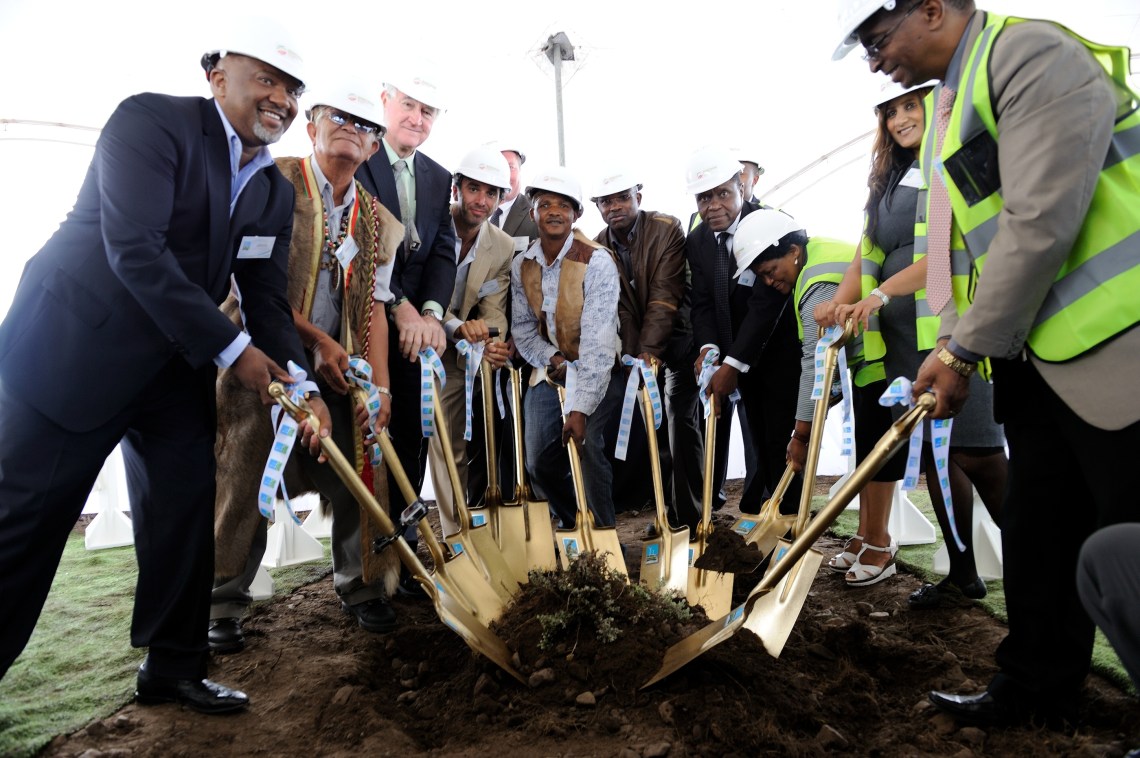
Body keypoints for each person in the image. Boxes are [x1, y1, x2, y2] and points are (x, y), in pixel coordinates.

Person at [0, 23, 329, 714]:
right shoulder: (150, 122)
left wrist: (299, 384)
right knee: (24, 525)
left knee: (183, 508)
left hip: (173, 363)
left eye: (293, 87)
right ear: (216, 76)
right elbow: (136, 250)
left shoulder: (272, 189)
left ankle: (173, 667)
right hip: (73, 349)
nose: (281, 97)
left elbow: (265, 297)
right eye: (264, 77)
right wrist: (236, 353)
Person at [835, 0, 1140, 725]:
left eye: (878, 40)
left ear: (933, 9)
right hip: (1037, 358)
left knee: (1128, 540)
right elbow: (967, 249)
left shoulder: (1032, 56)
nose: (876, 62)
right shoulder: (953, 102)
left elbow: (1042, 220)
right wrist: (954, 343)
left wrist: (963, 347)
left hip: (1122, 348)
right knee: (1040, 535)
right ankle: (1035, 690)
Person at [209, 82, 404, 654]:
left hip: (338, 367)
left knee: (360, 459)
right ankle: (222, 600)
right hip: (255, 355)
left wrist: (382, 387)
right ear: (310, 126)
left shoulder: (378, 221)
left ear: (373, 149)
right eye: (336, 117)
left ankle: (362, 585)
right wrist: (315, 341)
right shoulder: (270, 185)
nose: (350, 128)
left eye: (364, 126)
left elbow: (375, 309)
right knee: (243, 471)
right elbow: (248, 288)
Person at [821, 79, 1007, 597]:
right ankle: (963, 576)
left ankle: (1046, 573)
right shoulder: (890, 176)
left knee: (977, 453)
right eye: (891, 111)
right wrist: (842, 300)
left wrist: (877, 296)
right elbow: (867, 250)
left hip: (956, 330)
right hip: (904, 340)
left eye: (911, 105)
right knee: (937, 457)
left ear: (936, 105)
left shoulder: (953, 160)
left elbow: (950, 253)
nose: (901, 118)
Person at [734, 209, 903, 587]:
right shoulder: (813, 261)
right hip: (869, 361)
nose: (768, 279)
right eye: (761, 274)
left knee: (877, 453)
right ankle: (864, 536)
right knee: (867, 454)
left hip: (884, 359)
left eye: (770, 268)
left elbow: (816, 362)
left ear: (793, 250)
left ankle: (879, 544)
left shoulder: (816, 282)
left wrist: (801, 434)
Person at [355, 70, 458, 595]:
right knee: (373, 445)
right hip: (369, 325)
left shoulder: (440, 177)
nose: (417, 119)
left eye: (428, 112)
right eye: (409, 106)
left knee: (415, 443)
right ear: (384, 102)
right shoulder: (359, 160)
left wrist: (434, 313)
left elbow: (441, 248)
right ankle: (370, 571)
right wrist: (400, 308)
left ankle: (407, 554)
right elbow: (363, 253)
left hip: (419, 336)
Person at [685, 147, 802, 517]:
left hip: (778, 356)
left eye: (722, 193)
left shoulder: (770, 225)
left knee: (781, 442)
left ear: (741, 188)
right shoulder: (699, 240)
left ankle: (791, 524)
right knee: (763, 445)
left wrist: (733, 364)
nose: (713, 205)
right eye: (704, 197)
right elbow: (702, 302)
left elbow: (766, 305)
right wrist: (708, 349)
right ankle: (768, 520)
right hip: (736, 359)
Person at [510, 167, 624, 529]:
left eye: (564, 205)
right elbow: (524, 331)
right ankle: (572, 524)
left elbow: (599, 341)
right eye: (545, 205)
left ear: (577, 215)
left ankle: (603, 533)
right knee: (538, 460)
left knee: (586, 444)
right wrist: (553, 358)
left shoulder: (598, 260)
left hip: (599, 369)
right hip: (551, 369)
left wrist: (580, 407)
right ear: (533, 214)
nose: (554, 212)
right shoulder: (522, 265)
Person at [590, 169, 701, 529]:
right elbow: (619, 307)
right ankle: (666, 515)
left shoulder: (666, 228)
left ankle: (689, 516)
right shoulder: (596, 246)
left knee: (680, 423)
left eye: (622, 197)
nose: (615, 206)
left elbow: (664, 298)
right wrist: (636, 358)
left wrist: (648, 354)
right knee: (654, 429)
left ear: (639, 194)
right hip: (639, 349)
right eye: (606, 201)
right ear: (597, 207)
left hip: (681, 337)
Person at [426, 145, 513, 534]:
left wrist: (493, 339)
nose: (481, 201)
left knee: (451, 447)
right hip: (410, 342)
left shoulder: (502, 245)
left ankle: (455, 536)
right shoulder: (427, 225)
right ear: (456, 188)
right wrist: (457, 325)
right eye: (474, 189)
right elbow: (414, 292)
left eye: (491, 193)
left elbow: (494, 306)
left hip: (458, 356)